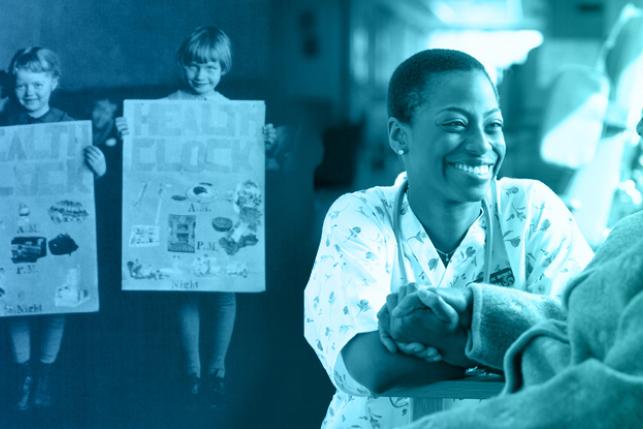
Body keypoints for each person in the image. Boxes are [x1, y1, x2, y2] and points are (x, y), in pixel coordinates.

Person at [303, 49, 594, 429]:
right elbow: (370, 365)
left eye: (493, 125)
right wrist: (502, 342)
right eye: (456, 124)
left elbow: (582, 343)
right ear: (398, 135)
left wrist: (435, 337)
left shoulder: (532, 210)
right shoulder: (359, 216)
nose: (481, 144)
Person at [399, 112, 643, 429]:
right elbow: (584, 333)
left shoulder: (532, 206)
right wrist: (477, 317)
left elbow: (620, 403)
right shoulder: (632, 232)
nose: (638, 128)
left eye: (493, 125)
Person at [116, 26, 277, 408]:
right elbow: (141, 163)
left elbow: (256, 173)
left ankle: (217, 369)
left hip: (221, 217)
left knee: (223, 292)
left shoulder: (235, 115)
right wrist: (128, 134)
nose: (200, 76)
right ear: (181, 65)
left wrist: (265, 145)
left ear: (224, 69)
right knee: (184, 290)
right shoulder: (161, 110)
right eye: (193, 66)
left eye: (210, 68)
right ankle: (191, 368)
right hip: (178, 216)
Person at [0, 47, 106, 411]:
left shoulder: (68, 125)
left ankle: (44, 374)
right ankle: (24, 374)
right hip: (14, 227)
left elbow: (86, 180)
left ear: (54, 83)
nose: (29, 92)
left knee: (55, 304)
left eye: (38, 84)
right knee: (13, 301)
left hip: (56, 229)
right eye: (21, 85)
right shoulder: (3, 120)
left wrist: (99, 166)